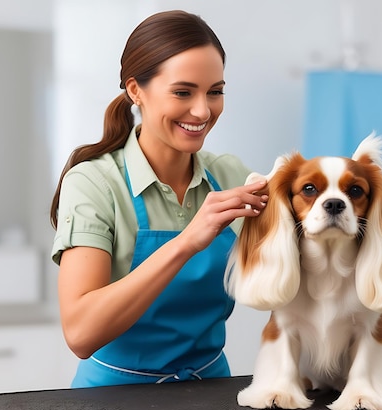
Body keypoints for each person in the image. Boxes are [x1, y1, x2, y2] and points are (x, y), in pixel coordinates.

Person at [50, 10, 268, 387]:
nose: (203, 111)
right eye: (183, 92)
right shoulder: (94, 184)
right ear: (136, 91)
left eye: (215, 91)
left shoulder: (230, 175)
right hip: (113, 398)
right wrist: (187, 241)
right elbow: (81, 333)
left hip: (211, 391)